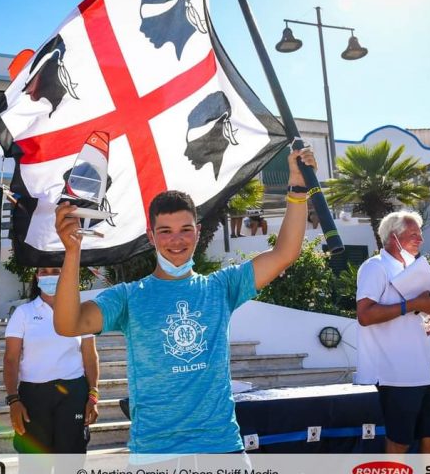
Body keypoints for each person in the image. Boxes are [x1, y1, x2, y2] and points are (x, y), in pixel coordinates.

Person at [52, 144, 316, 453]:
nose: (176, 240)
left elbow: (285, 253)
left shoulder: (222, 287)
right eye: (165, 231)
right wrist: (72, 252)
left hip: (220, 446)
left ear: (197, 231)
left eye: (185, 230)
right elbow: (69, 324)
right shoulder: (129, 297)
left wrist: (298, 187)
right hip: (156, 450)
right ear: (151, 237)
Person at [355, 210, 430, 454]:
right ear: (392, 236)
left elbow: (418, 324)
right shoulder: (375, 267)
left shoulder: (415, 269)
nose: (420, 239)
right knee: (399, 442)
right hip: (393, 375)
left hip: (424, 374)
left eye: (420, 233)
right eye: (413, 234)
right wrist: (413, 305)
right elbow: (364, 315)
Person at [3, 267, 99, 453]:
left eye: (55, 270)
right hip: (33, 395)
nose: (49, 276)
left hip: (73, 393)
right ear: (36, 276)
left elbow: (90, 355)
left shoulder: (82, 311)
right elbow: (11, 359)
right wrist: (13, 400)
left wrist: (93, 395)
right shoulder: (23, 313)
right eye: (44, 271)